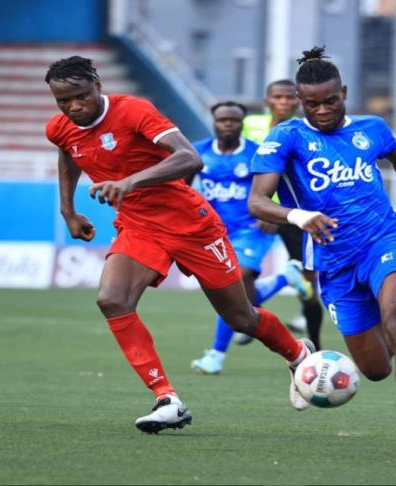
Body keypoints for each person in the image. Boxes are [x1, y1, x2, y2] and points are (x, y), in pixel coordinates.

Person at [44, 56, 317, 434]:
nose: (74, 107)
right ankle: (167, 399)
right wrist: (68, 210)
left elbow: (189, 159)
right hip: (139, 227)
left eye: (81, 96)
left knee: (241, 317)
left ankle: (298, 354)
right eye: (63, 101)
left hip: (192, 226)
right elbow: (67, 151)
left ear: (97, 85)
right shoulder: (60, 128)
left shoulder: (134, 111)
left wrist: (129, 183)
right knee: (112, 300)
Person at [248, 47, 396, 458]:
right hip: (333, 262)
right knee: (375, 370)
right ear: (302, 101)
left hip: (384, 240)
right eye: (311, 103)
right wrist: (300, 217)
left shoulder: (372, 128)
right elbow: (257, 201)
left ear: (344, 91)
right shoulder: (286, 136)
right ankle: (313, 351)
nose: (321, 110)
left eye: (330, 100)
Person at [189, 100, 311, 374]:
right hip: (215, 232)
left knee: (235, 282)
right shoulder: (199, 152)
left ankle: (216, 356)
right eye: (223, 120)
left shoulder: (255, 153)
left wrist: (271, 212)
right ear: (215, 123)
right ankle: (285, 279)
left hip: (252, 229)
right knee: (237, 297)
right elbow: (179, 184)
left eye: (234, 120)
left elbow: (279, 182)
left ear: (241, 124)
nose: (228, 124)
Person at [239, 79, 325, 350]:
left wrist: (275, 209)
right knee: (241, 275)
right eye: (278, 97)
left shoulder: (307, 130)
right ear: (268, 102)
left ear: (298, 101)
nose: (285, 102)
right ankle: (253, 321)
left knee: (307, 282)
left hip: (294, 213)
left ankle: (315, 345)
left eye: (290, 98)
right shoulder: (249, 126)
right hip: (256, 213)